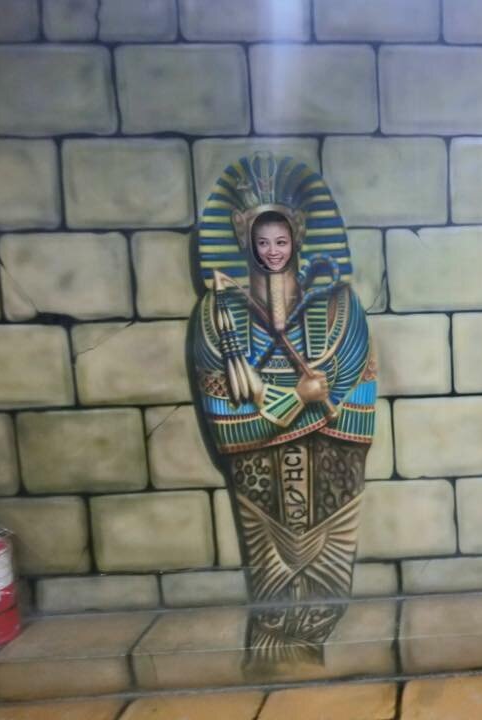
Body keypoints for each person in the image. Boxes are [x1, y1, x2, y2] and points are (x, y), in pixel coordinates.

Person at [190, 153, 376, 668]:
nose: (272, 252)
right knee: (273, 584)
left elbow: (354, 398)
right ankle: (277, 661)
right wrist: (299, 398)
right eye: (262, 242)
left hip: (332, 466)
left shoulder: (340, 306)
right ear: (244, 240)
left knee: (326, 582)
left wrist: (280, 412)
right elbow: (228, 426)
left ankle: (314, 656)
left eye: (281, 241)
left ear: (299, 239)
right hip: (259, 475)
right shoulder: (216, 316)